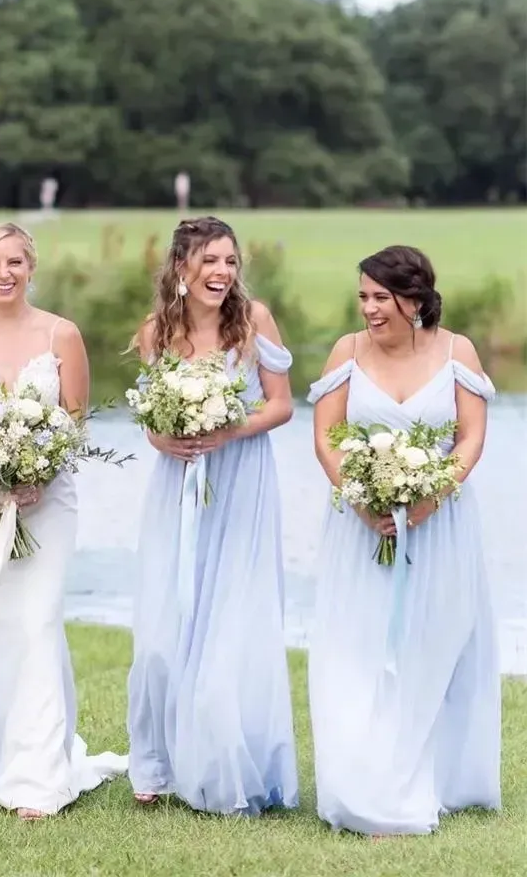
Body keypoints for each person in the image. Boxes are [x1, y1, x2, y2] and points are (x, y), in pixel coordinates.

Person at [0, 222, 127, 819]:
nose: (4, 273)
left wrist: (39, 473)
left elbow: (74, 420)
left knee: (39, 621)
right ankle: (3, 758)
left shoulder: (61, 333)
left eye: (15, 262)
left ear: (30, 267)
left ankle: (41, 777)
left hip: (48, 502)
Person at [307, 245, 500, 835]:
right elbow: (326, 438)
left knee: (428, 647)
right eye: (363, 296)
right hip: (358, 527)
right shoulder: (347, 351)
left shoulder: (455, 350)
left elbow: (470, 437)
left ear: (413, 299)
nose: (368, 309)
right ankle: (358, 780)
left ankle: (427, 774)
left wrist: (432, 493)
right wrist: (362, 501)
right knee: (355, 650)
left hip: (441, 526)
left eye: (380, 298)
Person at [126, 215, 299, 814]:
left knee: (233, 625)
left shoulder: (254, 323)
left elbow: (282, 407)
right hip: (176, 486)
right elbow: (151, 421)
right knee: (163, 629)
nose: (223, 273)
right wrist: (165, 439)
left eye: (230, 261)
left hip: (242, 480)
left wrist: (230, 431)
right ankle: (159, 763)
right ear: (182, 268)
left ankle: (233, 764)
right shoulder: (156, 333)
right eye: (211, 261)